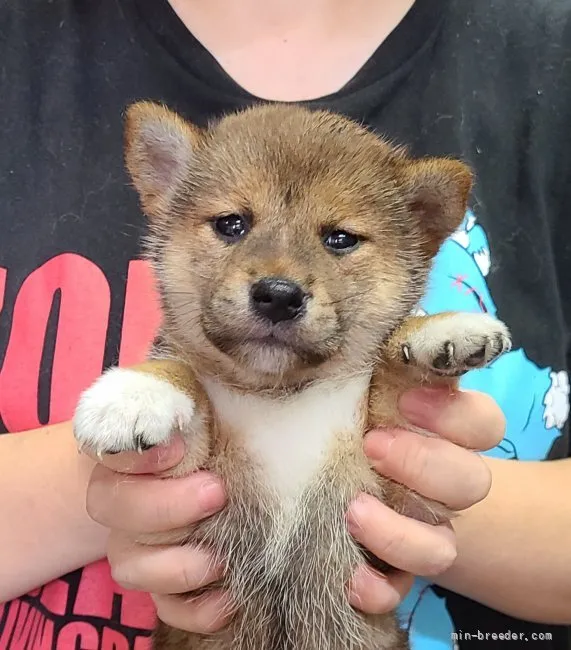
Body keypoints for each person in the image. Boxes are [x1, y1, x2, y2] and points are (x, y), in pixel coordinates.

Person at [1, 0, 570, 648]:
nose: (279, 275)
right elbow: (167, 423)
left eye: (339, 238)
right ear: (164, 187)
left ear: (420, 229)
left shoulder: (544, 50)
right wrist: (133, 457)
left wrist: (419, 455)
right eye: (231, 224)